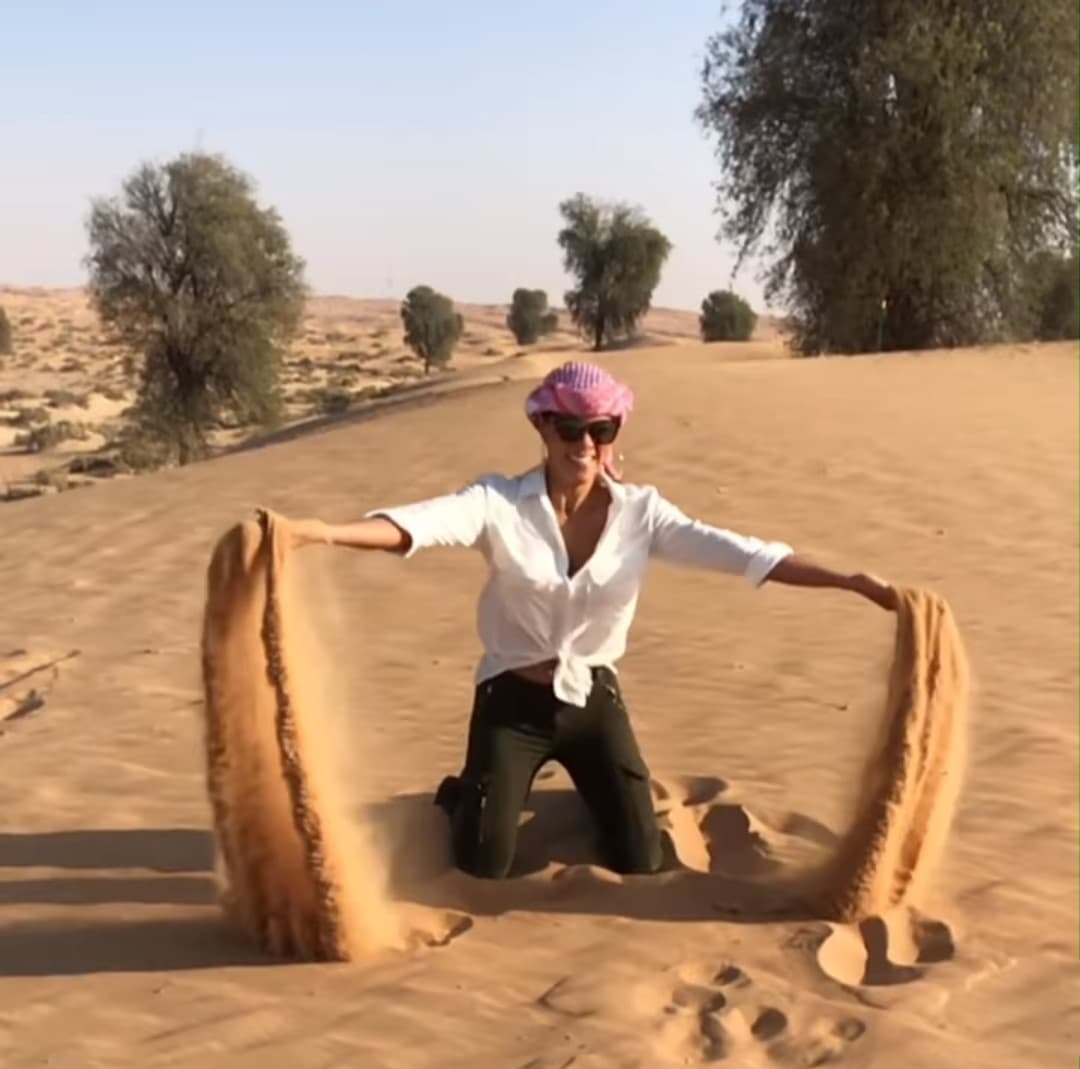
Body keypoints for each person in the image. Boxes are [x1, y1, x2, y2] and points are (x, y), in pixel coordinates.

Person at [283, 360, 898, 880]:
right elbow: (416, 525)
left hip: (593, 702)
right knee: (481, 863)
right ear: (543, 425)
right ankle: (463, 794)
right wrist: (322, 534)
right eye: (570, 427)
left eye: (599, 429)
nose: (584, 444)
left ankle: (592, 791)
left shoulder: (643, 514)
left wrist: (852, 582)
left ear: (615, 430)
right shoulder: (498, 502)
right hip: (511, 703)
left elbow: (744, 553)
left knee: (642, 858)